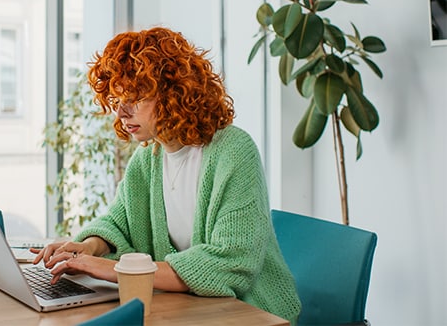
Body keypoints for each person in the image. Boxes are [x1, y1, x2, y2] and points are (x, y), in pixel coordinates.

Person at [32, 27, 301, 323]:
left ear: (174, 93)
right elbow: (118, 223)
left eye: (135, 97)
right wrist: (86, 249)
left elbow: (231, 263)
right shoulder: (148, 158)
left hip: (251, 314)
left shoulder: (234, 152)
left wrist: (113, 269)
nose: (121, 112)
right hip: (189, 312)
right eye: (117, 98)